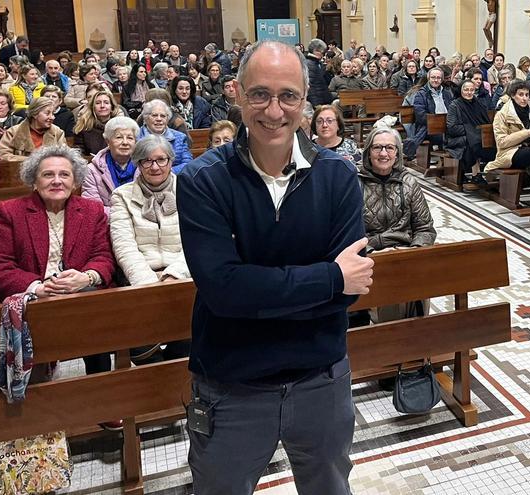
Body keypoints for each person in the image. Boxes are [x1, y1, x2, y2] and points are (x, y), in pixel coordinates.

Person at [177, 40, 370, 495]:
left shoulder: (337, 177)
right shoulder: (204, 181)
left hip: (321, 381)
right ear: (236, 94)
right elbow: (224, 292)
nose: (274, 111)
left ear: (306, 100)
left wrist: (260, 289)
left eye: (288, 96)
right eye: (259, 94)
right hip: (231, 386)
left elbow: (354, 289)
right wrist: (328, 277)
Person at [0, 145, 119, 428]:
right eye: (48, 174)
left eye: (64, 174)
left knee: (97, 306)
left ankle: (98, 396)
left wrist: (87, 276)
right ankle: (17, 399)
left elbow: (103, 257)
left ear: (76, 180)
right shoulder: (11, 211)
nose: (57, 181)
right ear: (34, 179)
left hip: (77, 297)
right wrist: (35, 287)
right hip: (28, 300)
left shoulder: (91, 210)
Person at [110, 133, 190, 286]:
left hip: (184, 274)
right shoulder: (121, 196)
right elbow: (124, 246)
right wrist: (148, 283)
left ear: (170, 162)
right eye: (147, 161)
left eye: (161, 160)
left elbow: (198, 241)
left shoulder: (190, 190)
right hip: (139, 279)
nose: (154, 167)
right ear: (138, 164)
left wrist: (174, 275)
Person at [358, 125, 436, 258]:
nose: (383, 153)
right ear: (368, 153)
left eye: (389, 148)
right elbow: (346, 232)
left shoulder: (409, 183)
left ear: (397, 153)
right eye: (377, 147)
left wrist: (414, 252)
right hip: (368, 255)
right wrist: (371, 252)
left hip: (405, 251)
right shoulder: (354, 183)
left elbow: (425, 228)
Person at [485, 80, 530, 212]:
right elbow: (502, 142)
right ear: (513, 95)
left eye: (527, 94)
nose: (524, 98)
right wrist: (526, 133)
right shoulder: (502, 114)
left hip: (529, 148)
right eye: (521, 94)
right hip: (509, 153)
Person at [82, 116, 139, 215]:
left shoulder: (146, 167)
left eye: (130, 138)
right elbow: (93, 208)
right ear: (108, 141)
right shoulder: (91, 170)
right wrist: (125, 216)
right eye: (119, 137)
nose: (125, 142)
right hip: (107, 226)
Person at [447, 79, 495, 186]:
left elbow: (485, 121)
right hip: (457, 139)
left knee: (480, 140)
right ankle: (476, 175)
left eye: (471, 90)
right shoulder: (455, 105)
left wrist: (475, 131)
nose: (469, 93)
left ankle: (491, 170)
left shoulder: (478, 103)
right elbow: (452, 128)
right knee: (472, 142)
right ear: (461, 90)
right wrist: (471, 131)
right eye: (466, 90)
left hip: (477, 136)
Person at [404, 67, 452, 161]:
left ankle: (455, 166)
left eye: (438, 78)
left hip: (447, 127)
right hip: (430, 129)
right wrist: (438, 123)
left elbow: (453, 110)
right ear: (428, 78)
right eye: (433, 77)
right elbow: (421, 116)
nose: (436, 80)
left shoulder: (447, 93)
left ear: (442, 80)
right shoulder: (421, 94)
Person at [0, 97, 66, 162]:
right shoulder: (13, 132)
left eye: (53, 114)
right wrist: (33, 160)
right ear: (34, 114)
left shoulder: (58, 132)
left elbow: (64, 157)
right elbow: (2, 155)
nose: (52, 117)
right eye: (47, 113)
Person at [137, 99, 192, 172]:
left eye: (163, 116)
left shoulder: (180, 137)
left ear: (167, 119)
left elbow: (187, 164)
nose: (159, 119)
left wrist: (166, 172)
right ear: (146, 118)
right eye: (154, 115)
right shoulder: (136, 137)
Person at [74, 90, 124, 155]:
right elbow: (79, 152)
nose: (102, 106)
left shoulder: (120, 127)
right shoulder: (84, 127)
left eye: (106, 103)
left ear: (112, 107)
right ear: (92, 107)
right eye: (98, 103)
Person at [306, 38, 333, 106]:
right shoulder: (310, 64)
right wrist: (316, 104)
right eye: (322, 52)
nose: (323, 55)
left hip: (322, 100)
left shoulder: (317, 63)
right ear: (315, 51)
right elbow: (311, 86)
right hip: (317, 102)